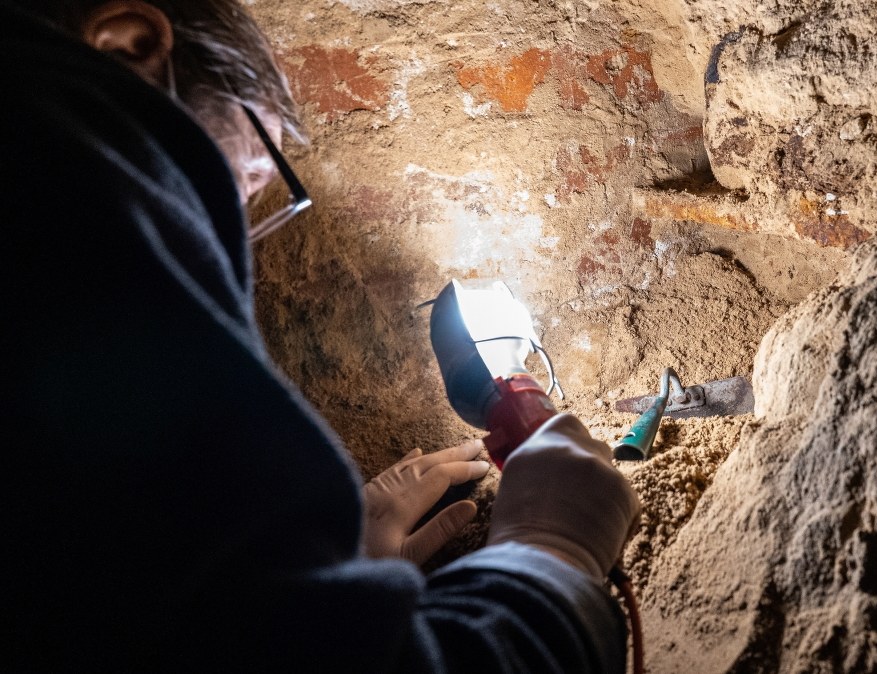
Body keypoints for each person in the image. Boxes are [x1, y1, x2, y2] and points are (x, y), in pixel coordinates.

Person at [0, 0, 640, 670]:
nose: (235, 244)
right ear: (127, 46)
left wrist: (307, 573)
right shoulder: (61, 229)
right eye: (243, 181)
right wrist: (549, 558)